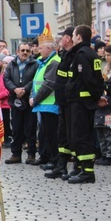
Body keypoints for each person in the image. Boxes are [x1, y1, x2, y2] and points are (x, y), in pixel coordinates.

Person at [65, 25, 104, 184]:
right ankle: (82, 168)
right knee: (82, 135)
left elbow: (88, 79)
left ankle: (87, 172)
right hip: (84, 102)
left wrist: (95, 96)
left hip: (81, 103)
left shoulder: (81, 54)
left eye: (74, 35)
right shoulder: (91, 52)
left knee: (82, 136)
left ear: (79, 37)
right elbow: (98, 78)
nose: (72, 37)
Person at [45, 27, 76, 179]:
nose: (60, 39)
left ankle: (76, 168)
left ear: (68, 38)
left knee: (71, 136)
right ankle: (61, 166)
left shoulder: (75, 55)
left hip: (70, 102)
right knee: (62, 136)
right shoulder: (65, 54)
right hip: (62, 102)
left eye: (62, 36)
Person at [29, 27, 61, 170]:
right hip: (44, 104)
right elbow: (37, 82)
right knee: (46, 134)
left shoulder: (53, 62)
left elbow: (48, 85)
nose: (39, 50)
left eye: (41, 48)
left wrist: (35, 99)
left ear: (49, 48)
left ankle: (55, 161)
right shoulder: (44, 62)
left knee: (52, 135)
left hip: (50, 104)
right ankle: (51, 159)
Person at [3, 42, 38, 164]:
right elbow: (6, 78)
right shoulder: (11, 65)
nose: (25, 53)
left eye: (27, 51)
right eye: (22, 50)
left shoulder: (35, 64)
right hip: (15, 100)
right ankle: (16, 154)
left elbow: (36, 79)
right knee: (16, 128)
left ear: (30, 52)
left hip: (29, 100)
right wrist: (14, 89)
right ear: (17, 52)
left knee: (30, 128)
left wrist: (25, 89)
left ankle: (31, 154)